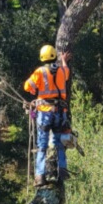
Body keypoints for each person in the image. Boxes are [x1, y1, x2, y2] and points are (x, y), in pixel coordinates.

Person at [24, 45, 71, 187]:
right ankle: (62, 171)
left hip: (44, 112)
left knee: (42, 145)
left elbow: (27, 86)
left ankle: (40, 176)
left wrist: (34, 90)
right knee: (59, 143)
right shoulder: (62, 71)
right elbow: (67, 72)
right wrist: (64, 61)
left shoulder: (40, 72)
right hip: (59, 112)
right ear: (55, 56)